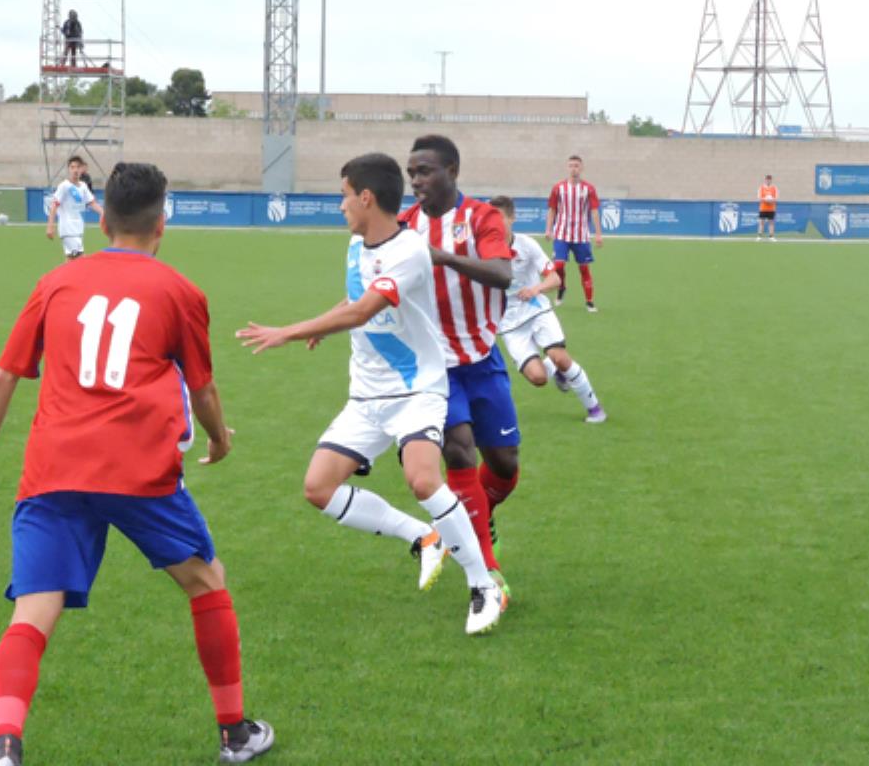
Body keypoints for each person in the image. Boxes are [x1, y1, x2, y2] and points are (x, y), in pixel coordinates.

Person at [0, 162, 273, 765]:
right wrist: (219, 441)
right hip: (140, 473)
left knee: (34, 610)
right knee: (207, 582)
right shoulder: (180, 291)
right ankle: (234, 734)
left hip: (54, 470)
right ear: (164, 223)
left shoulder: (56, 281)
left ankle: (3, 749)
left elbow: (5, 374)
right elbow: (203, 391)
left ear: (101, 219)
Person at [237, 152, 505, 635]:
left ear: (366, 197)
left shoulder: (410, 250)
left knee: (423, 480)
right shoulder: (357, 244)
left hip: (416, 390)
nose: (340, 206)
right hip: (366, 396)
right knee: (318, 488)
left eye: (344, 195)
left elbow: (364, 312)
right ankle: (423, 537)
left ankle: (482, 583)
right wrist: (324, 322)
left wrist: (291, 331)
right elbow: (355, 299)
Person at [401, 134, 519, 597]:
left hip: (481, 357)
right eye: (411, 173)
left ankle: (474, 516)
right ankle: (486, 572)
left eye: (424, 171)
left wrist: (443, 257)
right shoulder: (403, 225)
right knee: (458, 449)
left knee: (505, 466)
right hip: (433, 367)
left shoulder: (482, 217)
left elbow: (503, 273)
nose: (416, 181)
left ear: (452, 171)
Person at [488, 196, 606, 425]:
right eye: (490, 218)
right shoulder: (481, 251)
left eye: (499, 217)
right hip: (509, 323)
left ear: (512, 219)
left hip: (536, 310)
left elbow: (554, 278)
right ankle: (554, 368)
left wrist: (536, 289)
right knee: (538, 378)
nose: (495, 223)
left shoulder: (527, 245)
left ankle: (594, 408)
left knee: (560, 356)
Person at [545, 155, 604, 312]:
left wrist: (598, 234)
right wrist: (548, 229)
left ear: (581, 168)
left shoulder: (588, 189)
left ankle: (589, 301)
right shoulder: (558, 188)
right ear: (567, 167)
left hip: (581, 235)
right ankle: (562, 288)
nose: (573, 168)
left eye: (576, 165)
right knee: (558, 264)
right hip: (561, 233)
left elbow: (594, 212)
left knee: (584, 269)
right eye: (571, 165)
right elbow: (552, 210)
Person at [46, 155, 103, 261]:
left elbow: (92, 203)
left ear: (82, 169)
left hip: (78, 229)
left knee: (71, 262)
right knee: (81, 260)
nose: (75, 170)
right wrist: (50, 226)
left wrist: (104, 213)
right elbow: (54, 205)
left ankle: (62, 278)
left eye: (77, 167)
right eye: (72, 167)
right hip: (68, 229)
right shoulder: (64, 186)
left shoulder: (83, 186)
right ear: (69, 169)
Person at [757, 174, 778, 241]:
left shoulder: (774, 188)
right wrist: (766, 200)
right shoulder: (761, 188)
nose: (768, 180)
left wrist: (771, 200)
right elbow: (759, 198)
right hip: (763, 208)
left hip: (771, 208)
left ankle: (771, 236)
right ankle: (759, 236)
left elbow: (776, 198)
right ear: (765, 180)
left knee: (771, 222)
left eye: (769, 179)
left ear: (771, 180)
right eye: (767, 179)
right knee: (761, 222)